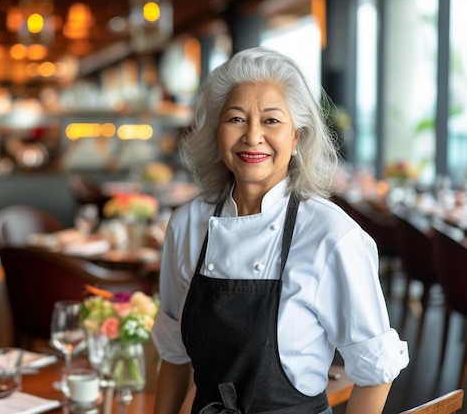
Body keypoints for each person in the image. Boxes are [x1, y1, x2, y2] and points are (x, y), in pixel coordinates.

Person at [151, 47, 409, 414]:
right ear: (216, 132)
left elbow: (376, 370)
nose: (252, 136)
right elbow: (174, 356)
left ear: (297, 138)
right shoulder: (188, 225)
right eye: (236, 119)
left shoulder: (331, 234)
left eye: (271, 121)